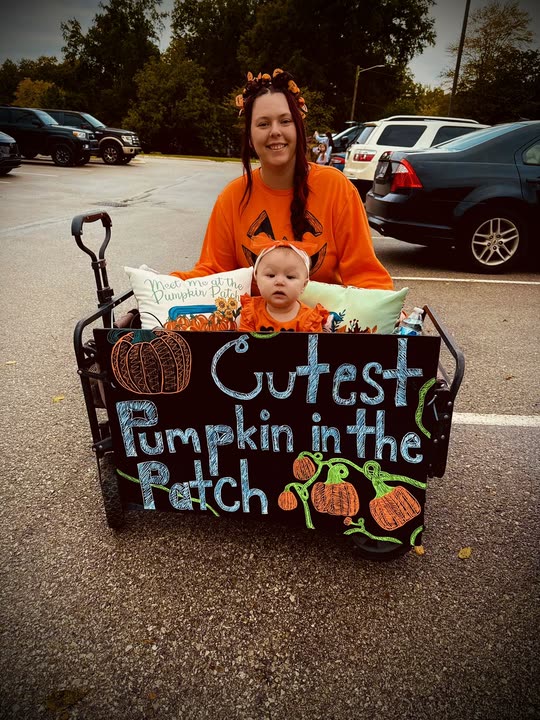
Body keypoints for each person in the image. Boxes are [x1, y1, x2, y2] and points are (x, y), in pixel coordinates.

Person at [170, 68, 392, 291]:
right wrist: (166, 286)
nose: (275, 131)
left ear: (298, 128)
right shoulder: (233, 198)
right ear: (250, 137)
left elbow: (367, 277)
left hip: (323, 315)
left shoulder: (336, 189)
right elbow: (213, 274)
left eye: (285, 121)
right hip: (252, 314)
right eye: (263, 124)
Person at [239, 242, 329, 332]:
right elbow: (244, 339)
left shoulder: (310, 321)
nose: (280, 282)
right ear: (257, 279)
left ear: (304, 285)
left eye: (290, 277)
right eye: (271, 275)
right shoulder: (251, 312)